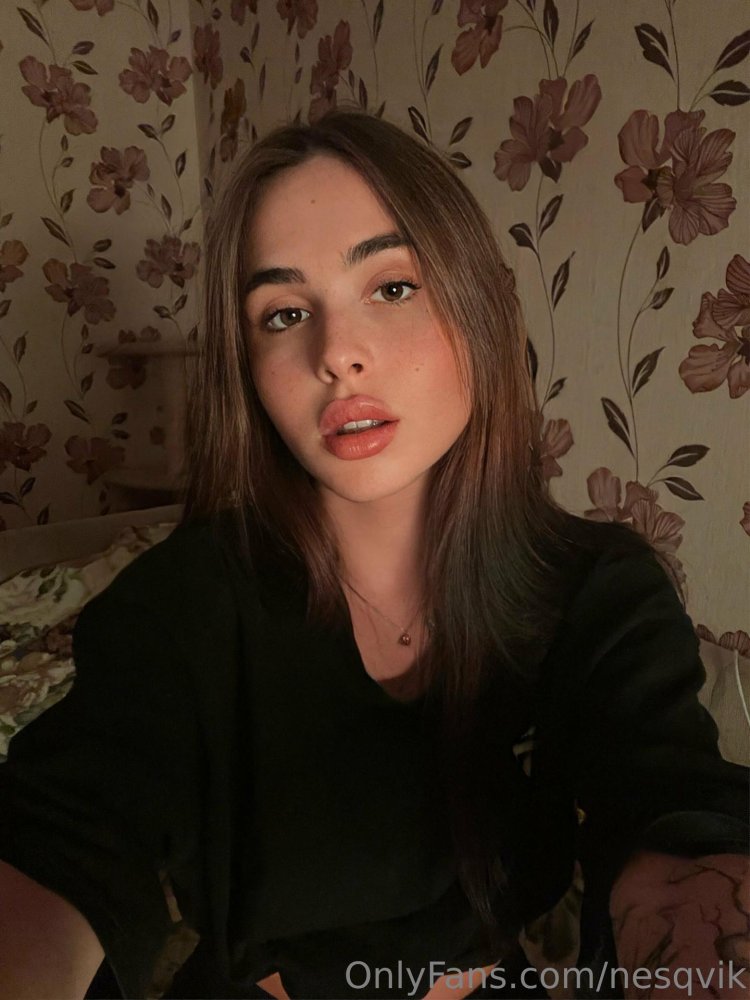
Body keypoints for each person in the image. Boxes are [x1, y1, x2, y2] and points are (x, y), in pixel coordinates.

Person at [0, 110, 747, 1000]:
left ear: (479, 307)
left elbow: (670, 795)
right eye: (284, 314)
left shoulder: (593, 590)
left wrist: (701, 920)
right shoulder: (184, 603)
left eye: (391, 287)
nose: (337, 355)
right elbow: (67, 830)